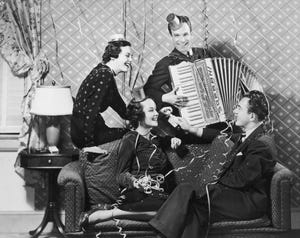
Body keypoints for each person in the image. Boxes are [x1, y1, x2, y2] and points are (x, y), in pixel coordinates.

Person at [148, 90, 277, 238]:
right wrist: (192, 129)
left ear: (252, 116)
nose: (234, 111)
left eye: (239, 108)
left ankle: (160, 234)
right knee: (194, 206)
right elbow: (220, 136)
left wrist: (214, 183)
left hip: (247, 202)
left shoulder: (261, 143)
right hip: (233, 196)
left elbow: (243, 179)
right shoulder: (247, 136)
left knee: (189, 191)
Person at [79, 97, 183, 228]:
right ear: (139, 116)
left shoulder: (156, 138)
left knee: (175, 208)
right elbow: (121, 174)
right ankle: (112, 213)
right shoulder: (130, 139)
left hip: (158, 192)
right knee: (168, 210)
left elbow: (165, 141)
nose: (156, 113)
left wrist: (173, 139)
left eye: (156, 110)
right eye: (151, 110)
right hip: (138, 193)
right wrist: (135, 182)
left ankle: (115, 212)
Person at [143, 13, 225, 143]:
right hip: (188, 123)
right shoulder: (165, 64)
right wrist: (166, 98)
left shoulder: (203, 53)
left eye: (185, 34)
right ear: (171, 36)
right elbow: (148, 90)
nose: (182, 40)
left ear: (191, 33)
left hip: (214, 119)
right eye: (177, 35)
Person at [71, 34, 132, 149]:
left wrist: (144, 110)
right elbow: (90, 111)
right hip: (86, 135)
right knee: (132, 137)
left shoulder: (102, 70)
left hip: (84, 131)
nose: (130, 60)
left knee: (130, 134)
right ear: (113, 56)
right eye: (127, 56)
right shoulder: (104, 75)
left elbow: (122, 109)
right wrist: (90, 145)